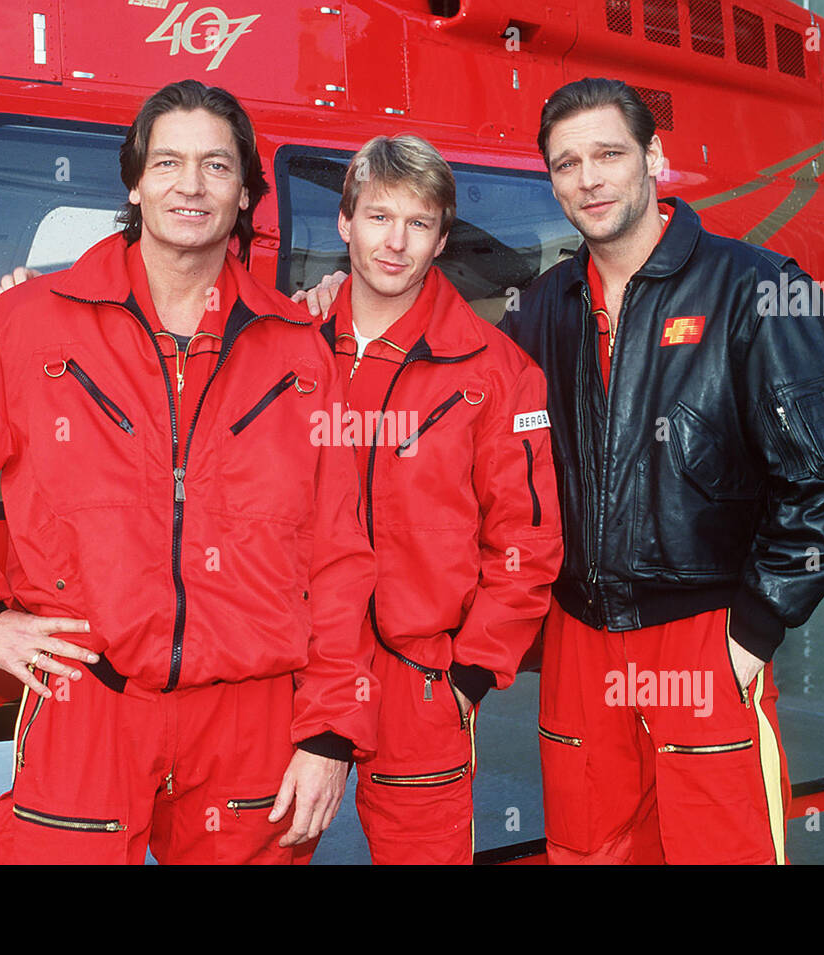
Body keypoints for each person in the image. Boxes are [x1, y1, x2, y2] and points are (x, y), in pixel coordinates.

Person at [0, 79, 377, 865]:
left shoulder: (299, 355)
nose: (190, 184)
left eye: (217, 166)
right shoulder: (27, 324)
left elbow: (340, 556)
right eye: (167, 161)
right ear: (135, 182)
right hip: (88, 701)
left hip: (252, 718)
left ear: (246, 192)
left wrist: (332, 732)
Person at [499, 78, 824, 864]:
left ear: (655, 160)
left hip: (705, 634)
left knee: (721, 848)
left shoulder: (756, 288)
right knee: (589, 849)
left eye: (609, 153)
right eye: (567, 164)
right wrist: (341, 302)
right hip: (580, 637)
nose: (589, 178)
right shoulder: (542, 307)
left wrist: (758, 624)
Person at [304, 135, 561, 864]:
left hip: (421, 678)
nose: (395, 242)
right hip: (292, 666)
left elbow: (529, 540)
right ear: (345, 223)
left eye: (418, 224)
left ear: (442, 238)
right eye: (378, 217)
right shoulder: (286, 346)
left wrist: (469, 675)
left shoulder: (499, 372)